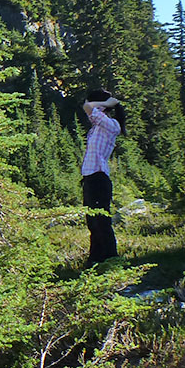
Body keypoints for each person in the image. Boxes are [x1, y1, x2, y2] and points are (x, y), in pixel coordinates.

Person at [81, 89, 123, 267]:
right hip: (90, 179)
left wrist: (108, 103)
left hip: (99, 178)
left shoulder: (111, 125)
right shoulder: (97, 126)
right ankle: (96, 259)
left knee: (102, 222)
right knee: (93, 222)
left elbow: (87, 106)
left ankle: (111, 259)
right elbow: (88, 107)